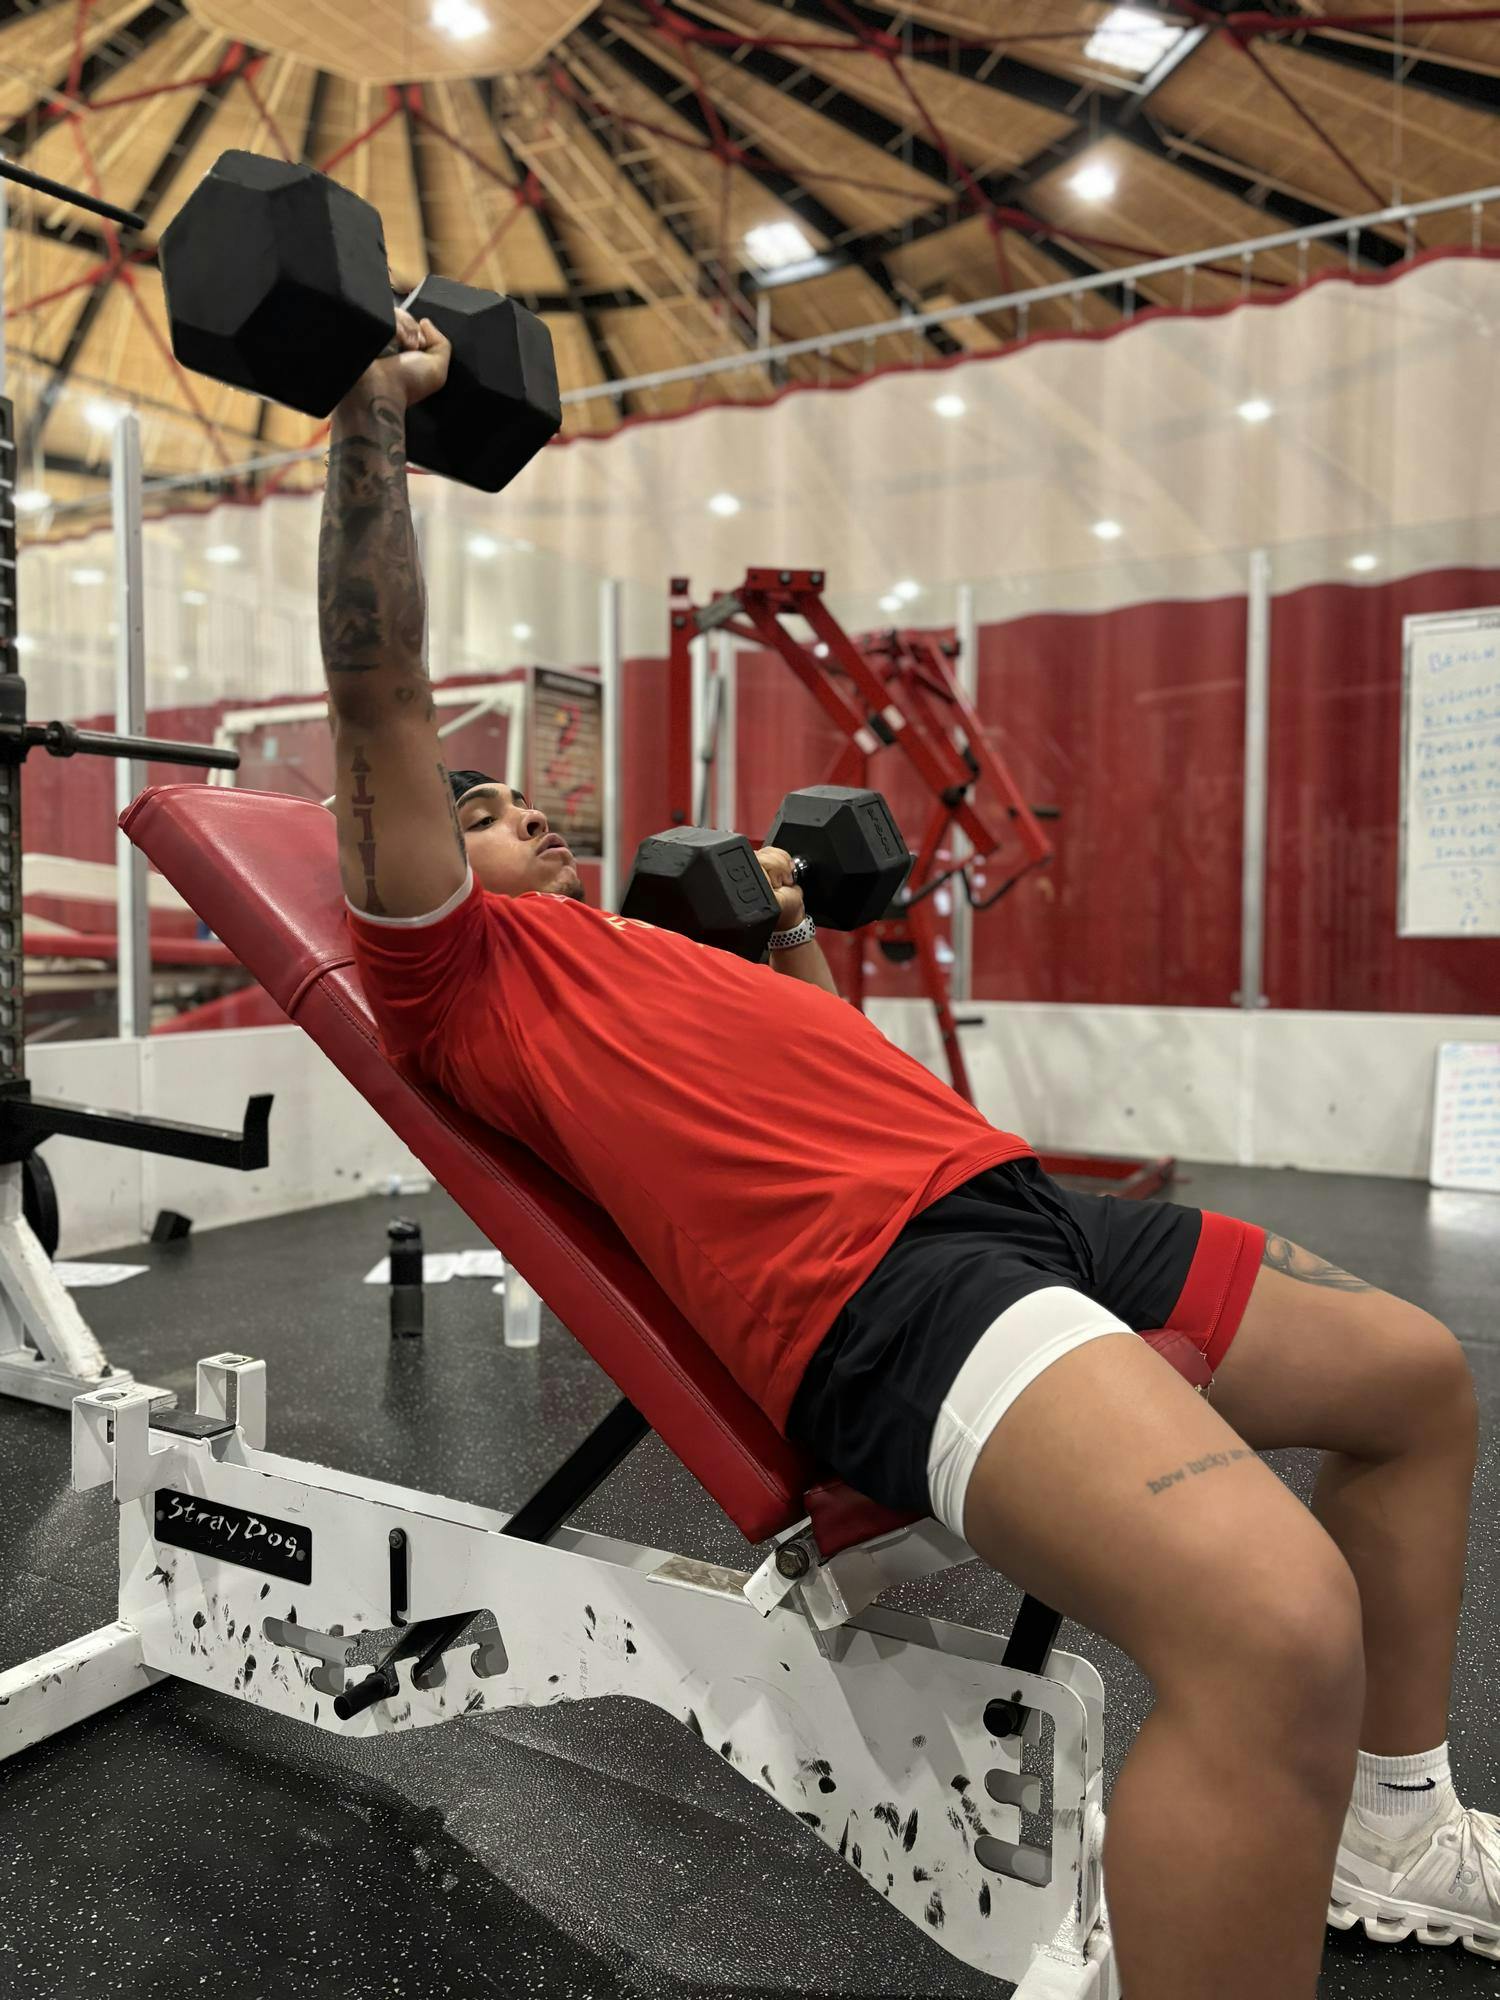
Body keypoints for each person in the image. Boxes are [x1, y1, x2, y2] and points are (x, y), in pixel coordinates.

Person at [320, 310, 1495, 1998]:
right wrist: (369, 420)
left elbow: (848, 1080)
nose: (537, 817)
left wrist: (785, 943)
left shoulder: (650, 953)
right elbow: (376, 688)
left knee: (1416, 1381)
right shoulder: (453, 973)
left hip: (1013, 1207)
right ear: (423, 840)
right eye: (491, 806)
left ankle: (1392, 1822)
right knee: (1270, 1629)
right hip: (886, 1292)